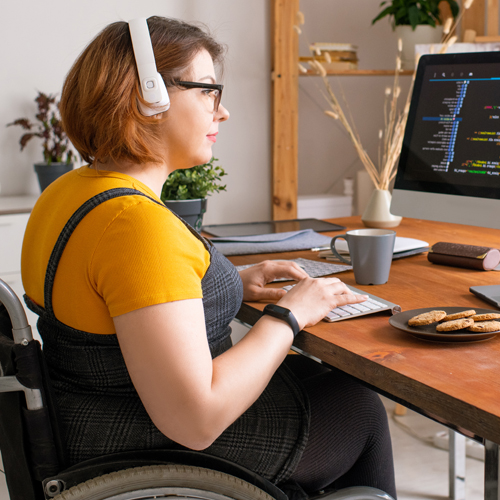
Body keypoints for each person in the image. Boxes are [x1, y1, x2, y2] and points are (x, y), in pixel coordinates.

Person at [21, 16, 396, 499]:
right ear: (147, 97)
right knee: (357, 408)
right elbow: (195, 420)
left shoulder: (69, 191)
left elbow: (118, 299)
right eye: (207, 91)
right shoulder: (136, 225)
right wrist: (290, 314)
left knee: (324, 383)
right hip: (142, 442)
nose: (223, 112)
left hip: (89, 419)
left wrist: (231, 279)